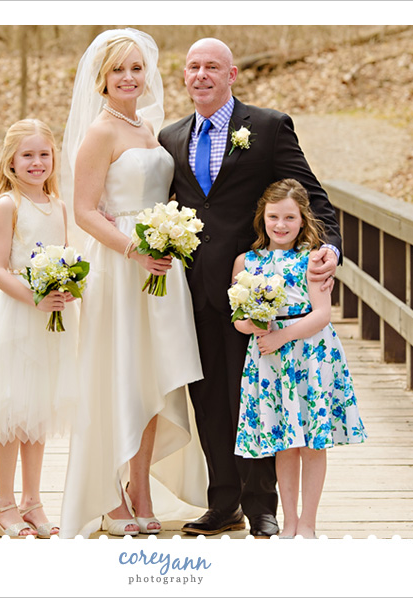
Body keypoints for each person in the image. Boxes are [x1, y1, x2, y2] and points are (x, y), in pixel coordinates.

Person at [158, 37, 343, 537]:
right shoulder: (169, 137)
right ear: (184, 76)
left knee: (259, 396)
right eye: (193, 66)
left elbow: (315, 198)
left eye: (212, 67)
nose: (201, 75)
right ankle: (223, 502)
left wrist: (332, 250)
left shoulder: (266, 127)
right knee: (209, 400)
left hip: (258, 294)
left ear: (232, 74)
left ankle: (262, 504)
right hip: (193, 290)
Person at [58, 29, 206, 538]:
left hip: (161, 270)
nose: (128, 77)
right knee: (119, 377)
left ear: (148, 74)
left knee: (152, 382)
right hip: (121, 269)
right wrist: (134, 249)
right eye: (118, 69)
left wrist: (167, 242)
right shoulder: (100, 132)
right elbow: (82, 210)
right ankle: (112, 495)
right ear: (100, 79)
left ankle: (142, 491)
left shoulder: (148, 128)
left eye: (136, 68)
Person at [232, 179, 366, 538]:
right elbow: (238, 319)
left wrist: (281, 336)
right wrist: (253, 324)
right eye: (274, 216)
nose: (280, 225)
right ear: (262, 218)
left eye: (289, 217)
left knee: (311, 441)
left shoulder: (314, 259)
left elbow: (322, 313)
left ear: (303, 220)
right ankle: (288, 521)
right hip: (270, 362)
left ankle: (308, 523)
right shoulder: (246, 262)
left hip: (310, 355)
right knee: (284, 442)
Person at [0, 119, 77, 538]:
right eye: (27, 155)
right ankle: (3, 504)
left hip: (52, 318)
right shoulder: (8, 205)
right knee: (13, 411)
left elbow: (65, 256)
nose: (37, 162)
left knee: (39, 409)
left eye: (44, 154)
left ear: (54, 159)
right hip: (19, 315)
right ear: (11, 161)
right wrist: (34, 296)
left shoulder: (59, 206)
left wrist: (66, 288)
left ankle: (33, 500)